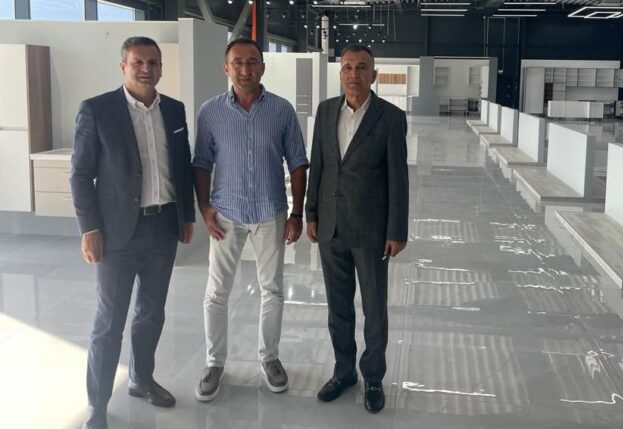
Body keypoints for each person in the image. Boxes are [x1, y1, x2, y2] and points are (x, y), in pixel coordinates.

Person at [70, 36, 195, 429]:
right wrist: (89, 228)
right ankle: (98, 404)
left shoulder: (173, 109)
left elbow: (182, 166)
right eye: (138, 62)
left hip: (164, 226)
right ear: (122, 66)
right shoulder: (97, 110)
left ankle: (142, 379)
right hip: (116, 232)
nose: (146, 69)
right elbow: (80, 175)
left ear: (160, 68)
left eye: (153, 62)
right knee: (110, 321)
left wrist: (186, 215)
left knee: (152, 313)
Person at [193, 38, 308, 402]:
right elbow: (201, 163)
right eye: (238, 63)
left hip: (269, 212)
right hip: (225, 214)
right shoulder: (210, 112)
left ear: (262, 67)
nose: (245, 69)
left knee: (272, 289)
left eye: (252, 62)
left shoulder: (281, 110)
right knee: (216, 292)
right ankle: (214, 363)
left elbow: (298, 163)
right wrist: (204, 207)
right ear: (226, 68)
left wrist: (296, 213)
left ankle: (269, 357)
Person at [306, 45, 409, 413]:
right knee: (338, 307)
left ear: (373, 74)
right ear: (340, 74)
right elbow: (318, 165)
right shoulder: (325, 111)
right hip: (331, 227)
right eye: (347, 67)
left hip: (371, 230)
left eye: (362, 67)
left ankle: (374, 377)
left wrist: (397, 230)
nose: (354, 74)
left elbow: (398, 178)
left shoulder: (390, 117)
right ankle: (344, 371)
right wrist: (311, 213)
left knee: (374, 310)